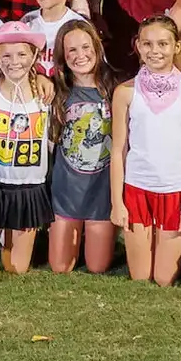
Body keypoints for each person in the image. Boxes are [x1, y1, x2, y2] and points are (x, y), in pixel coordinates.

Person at [111, 15, 181, 285]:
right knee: (140, 278)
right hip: (137, 189)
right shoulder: (125, 92)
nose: (155, 51)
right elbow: (118, 150)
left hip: (175, 192)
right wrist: (117, 202)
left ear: (176, 46)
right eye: (148, 44)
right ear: (138, 46)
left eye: (163, 44)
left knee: (164, 279)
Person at [0, 23, 56, 275]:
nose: (14, 62)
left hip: (28, 185)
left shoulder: (46, 94)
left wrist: (43, 76)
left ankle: (0, 232)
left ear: (34, 56)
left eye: (22, 54)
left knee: (16, 268)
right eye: (6, 55)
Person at [45, 21, 117, 273]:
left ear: (96, 48)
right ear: (63, 56)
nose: (80, 55)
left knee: (97, 267)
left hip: (102, 191)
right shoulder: (56, 90)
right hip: (66, 190)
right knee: (60, 266)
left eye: (85, 47)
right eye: (71, 50)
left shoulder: (116, 88)